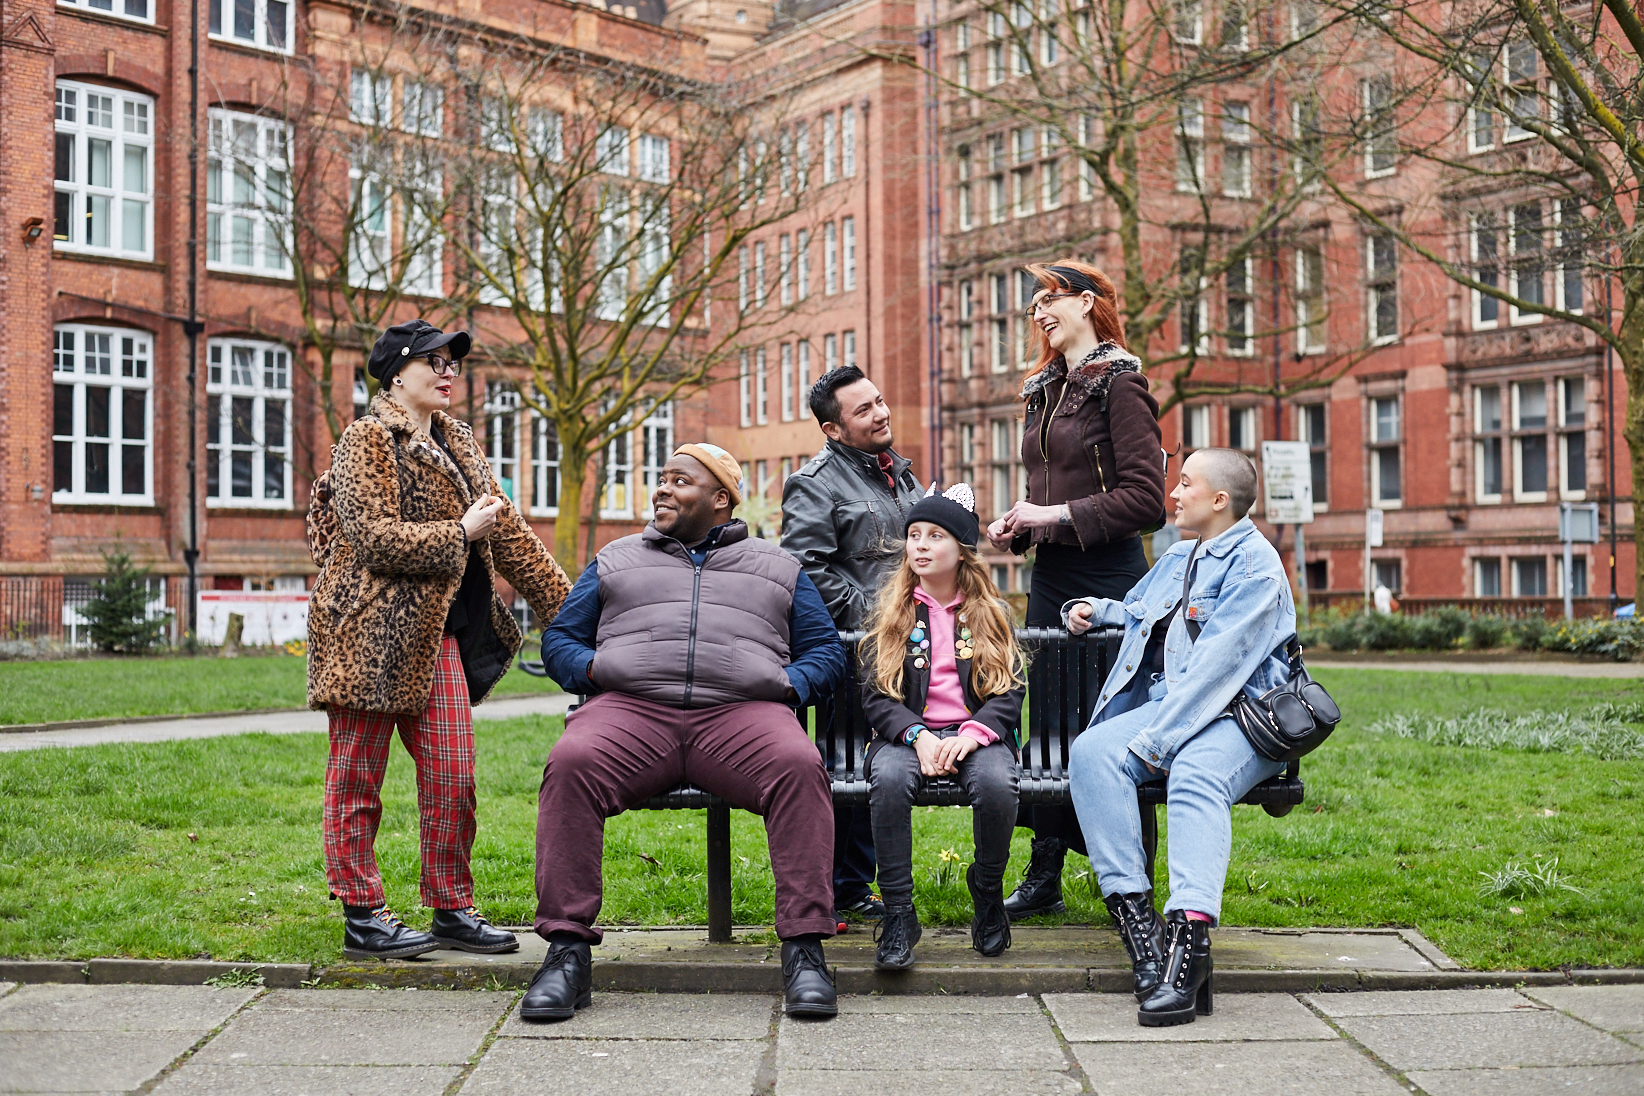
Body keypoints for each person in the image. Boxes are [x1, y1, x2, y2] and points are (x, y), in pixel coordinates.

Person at [530, 442, 846, 1021]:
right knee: (571, 761)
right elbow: (560, 641)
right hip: (631, 712)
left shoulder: (779, 567)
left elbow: (826, 651)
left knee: (799, 766)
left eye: (680, 481)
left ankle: (804, 952)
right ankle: (565, 954)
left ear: (720, 498)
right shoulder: (616, 558)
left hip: (741, 715)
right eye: (662, 479)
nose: (662, 490)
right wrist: (594, 671)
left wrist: (787, 686)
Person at [308, 319, 570, 961]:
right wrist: (459, 531)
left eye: (453, 361)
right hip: (366, 634)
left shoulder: (460, 444)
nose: (448, 370)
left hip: (437, 637)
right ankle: (363, 914)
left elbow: (510, 538)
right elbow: (371, 536)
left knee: (454, 776)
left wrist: (575, 611)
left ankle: (452, 906)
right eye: (433, 361)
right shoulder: (367, 440)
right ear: (397, 374)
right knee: (356, 778)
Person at [1063, 448, 1295, 1027]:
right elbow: (1144, 611)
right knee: (1092, 753)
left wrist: (1155, 744)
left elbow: (1219, 670)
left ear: (1220, 500)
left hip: (1241, 715)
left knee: (1194, 774)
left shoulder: (1254, 567)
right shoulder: (1181, 555)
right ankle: (1142, 934)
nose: (1173, 493)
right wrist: (1097, 609)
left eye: (1185, 483)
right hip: (1178, 709)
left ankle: (1189, 949)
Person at [983, 260, 1166, 921]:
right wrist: (1021, 523)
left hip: (1112, 578)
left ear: (1088, 303)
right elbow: (1050, 489)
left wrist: (1051, 516)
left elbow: (1147, 501)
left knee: (1115, 725)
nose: (1037, 312)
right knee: (1051, 727)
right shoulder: (1045, 391)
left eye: (1049, 299)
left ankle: (1137, 882)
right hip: (1051, 577)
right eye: (1032, 303)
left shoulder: (1120, 386)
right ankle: (1044, 876)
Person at [781, 366, 925, 927]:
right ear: (833, 429)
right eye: (863, 410)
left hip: (905, 644)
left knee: (880, 761)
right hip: (854, 650)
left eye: (880, 401)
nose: (881, 413)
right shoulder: (815, 481)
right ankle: (841, 885)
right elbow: (807, 568)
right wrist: (881, 617)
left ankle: (858, 883)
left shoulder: (899, 474)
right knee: (844, 765)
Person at [859, 484, 1025, 970]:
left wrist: (972, 735)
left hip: (977, 735)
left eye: (935, 536)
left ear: (962, 549)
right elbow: (876, 696)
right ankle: (897, 911)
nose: (921, 546)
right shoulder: (893, 611)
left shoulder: (990, 613)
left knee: (997, 784)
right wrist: (919, 735)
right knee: (887, 781)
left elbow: (1009, 691)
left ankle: (988, 891)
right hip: (907, 736)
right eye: (914, 535)